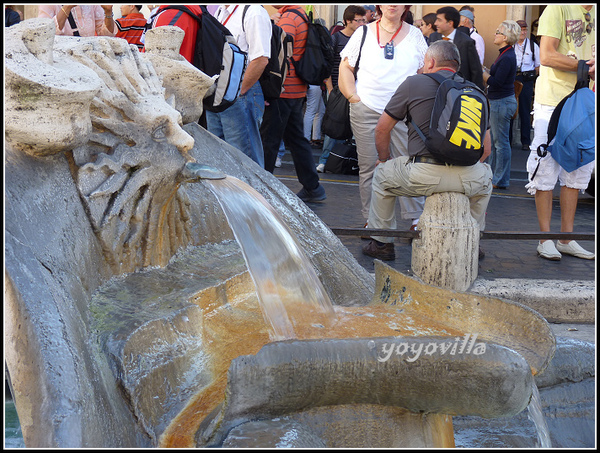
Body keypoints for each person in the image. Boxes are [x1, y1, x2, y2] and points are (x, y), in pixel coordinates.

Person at [363, 40, 492, 261]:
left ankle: (382, 243)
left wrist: (384, 160)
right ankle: (472, 242)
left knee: (382, 177)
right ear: (457, 65)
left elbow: (382, 130)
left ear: (431, 61)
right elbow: (486, 149)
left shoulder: (413, 83)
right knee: (485, 181)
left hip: (423, 174)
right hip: (468, 176)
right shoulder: (474, 90)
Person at [339, 5, 427, 231]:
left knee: (408, 164)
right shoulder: (364, 32)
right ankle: (374, 221)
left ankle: (416, 219)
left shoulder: (415, 35)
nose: (392, 5)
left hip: (403, 113)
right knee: (369, 167)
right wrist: (353, 97)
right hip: (367, 109)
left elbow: (423, 72)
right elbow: (346, 67)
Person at [525, 5, 595, 261]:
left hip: (585, 101)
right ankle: (544, 238)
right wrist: (585, 67)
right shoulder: (558, 8)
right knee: (545, 168)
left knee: (578, 169)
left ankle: (566, 238)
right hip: (553, 102)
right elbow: (547, 55)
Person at [261, 5, 326, 202]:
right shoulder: (301, 15)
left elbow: (280, 53)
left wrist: (271, 25)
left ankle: (262, 188)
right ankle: (313, 187)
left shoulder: (288, 18)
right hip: (296, 88)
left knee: (269, 142)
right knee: (296, 140)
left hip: (282, 89)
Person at [205, 5, 272, 169]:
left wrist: (237, 91)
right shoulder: (220, 11)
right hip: (220, 92)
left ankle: (253, 195)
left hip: (241, 92)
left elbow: (260, 58)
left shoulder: (253, 12)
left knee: (245, 161)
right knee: (218, 159)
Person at [318, 5, 367, 173]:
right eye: (358, 20)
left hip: (358, 88)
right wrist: (330, 88)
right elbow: (328, 64)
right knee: (334, 125)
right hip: (337, 89)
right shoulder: (336, 38)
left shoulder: (364, 38)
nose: (362, 23)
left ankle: (343, 160)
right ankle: (324, 160)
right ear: (347, 21)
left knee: (354, 127)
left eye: (363, 20)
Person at [482, 20, 519, 190]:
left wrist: (483, 73)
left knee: (501, 143)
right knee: (498, 142)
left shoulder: (507, 56)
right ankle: (495, 176)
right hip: (500, 101)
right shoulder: (505, 53)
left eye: (498, 32)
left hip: (501, 102)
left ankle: (500, 179)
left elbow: (496, 82)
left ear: (505, 37)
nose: (494, 34)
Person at [428, 6, 484, 91]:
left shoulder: (466, 42)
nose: (435, 23)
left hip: (459, 90)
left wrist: (477, 93)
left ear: (450, 23)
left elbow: (475, 71)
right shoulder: (433, 38)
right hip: (436, 89)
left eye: (439, 20)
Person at [512, 19, 540, 150]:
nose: (523, 32)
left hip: (526, 79)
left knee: (525, 110)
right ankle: (508, 140)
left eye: (524, 29)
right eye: (520, 29)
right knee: (511, 110)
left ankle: (525, 141)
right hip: (512, 79)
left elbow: (539, 66)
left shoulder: (533, 46)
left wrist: (532, 76)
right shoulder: (510, 45)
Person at [38, 5, 116, 36]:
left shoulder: (93, 5)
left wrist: (108, 12)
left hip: (88, 59)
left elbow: (107, 35)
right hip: (61, 62)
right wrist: (67, 7)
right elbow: (44, 33)